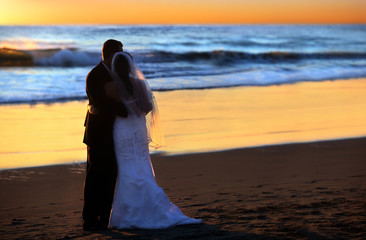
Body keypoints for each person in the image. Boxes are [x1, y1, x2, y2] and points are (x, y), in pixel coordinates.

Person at [104, 51, 202, 229]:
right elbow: (147, 107)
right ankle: (152, 202)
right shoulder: (140, 83)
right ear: (131, 66)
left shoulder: (110, 86)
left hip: (122, 130)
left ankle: (127, 213)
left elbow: (107, 109)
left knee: (126, 169)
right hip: (139, 128)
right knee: (141, 164)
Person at [82, 39, 128, 231]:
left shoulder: (118, 73)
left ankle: (104, 217)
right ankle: (89, 219)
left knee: (111, 176)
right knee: (95, 176)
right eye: (119, 53)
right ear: (109, 55)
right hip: (98, 133)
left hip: (115, 133)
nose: (122, 56)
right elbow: (100, 104)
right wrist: (124, 110)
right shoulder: (94, 75)